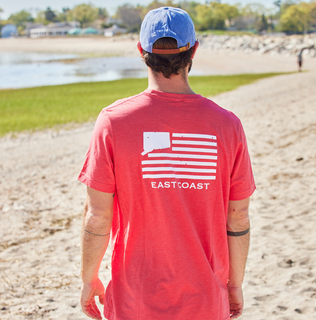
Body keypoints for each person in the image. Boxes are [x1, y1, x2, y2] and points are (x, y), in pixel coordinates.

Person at [78, 7, 255, 320]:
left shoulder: (114, 122)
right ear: (194, 50)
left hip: (135, 298)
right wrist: (235, 284)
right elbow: (238, 216)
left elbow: (97, 216)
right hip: (205, 297)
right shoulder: (227, 125)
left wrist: (89, 278)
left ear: (141, 51)